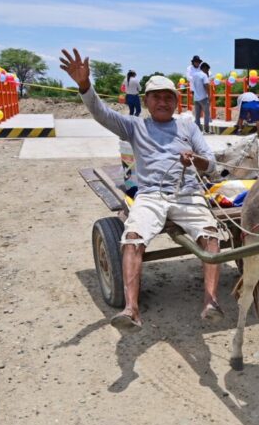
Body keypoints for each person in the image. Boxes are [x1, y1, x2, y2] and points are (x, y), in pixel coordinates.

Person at [59, 48, 225, 332]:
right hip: (150, 196)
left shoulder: (189, 127)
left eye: (168, 97)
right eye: (156, 97)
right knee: (133, 237)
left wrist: (194, 159)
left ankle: (210, 302)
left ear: (175, 101)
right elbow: (101, 113)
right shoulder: (134, 126)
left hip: (188, 194)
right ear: (146, 101)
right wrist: (85, 85)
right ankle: (131, 309)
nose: (162, 102)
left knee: (211, 237)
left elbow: (210, 166)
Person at [191, 62, 211, 134]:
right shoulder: (204, 75)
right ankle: (206, 130)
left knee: (197, 115)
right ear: (204, 68)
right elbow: (206, 85)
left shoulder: (194, 75)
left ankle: (198, 130)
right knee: (206, 114)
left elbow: (192, 86)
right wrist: (209, 95)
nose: (208, 71)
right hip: (203, 98)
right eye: (207, 70)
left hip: (196, 98)